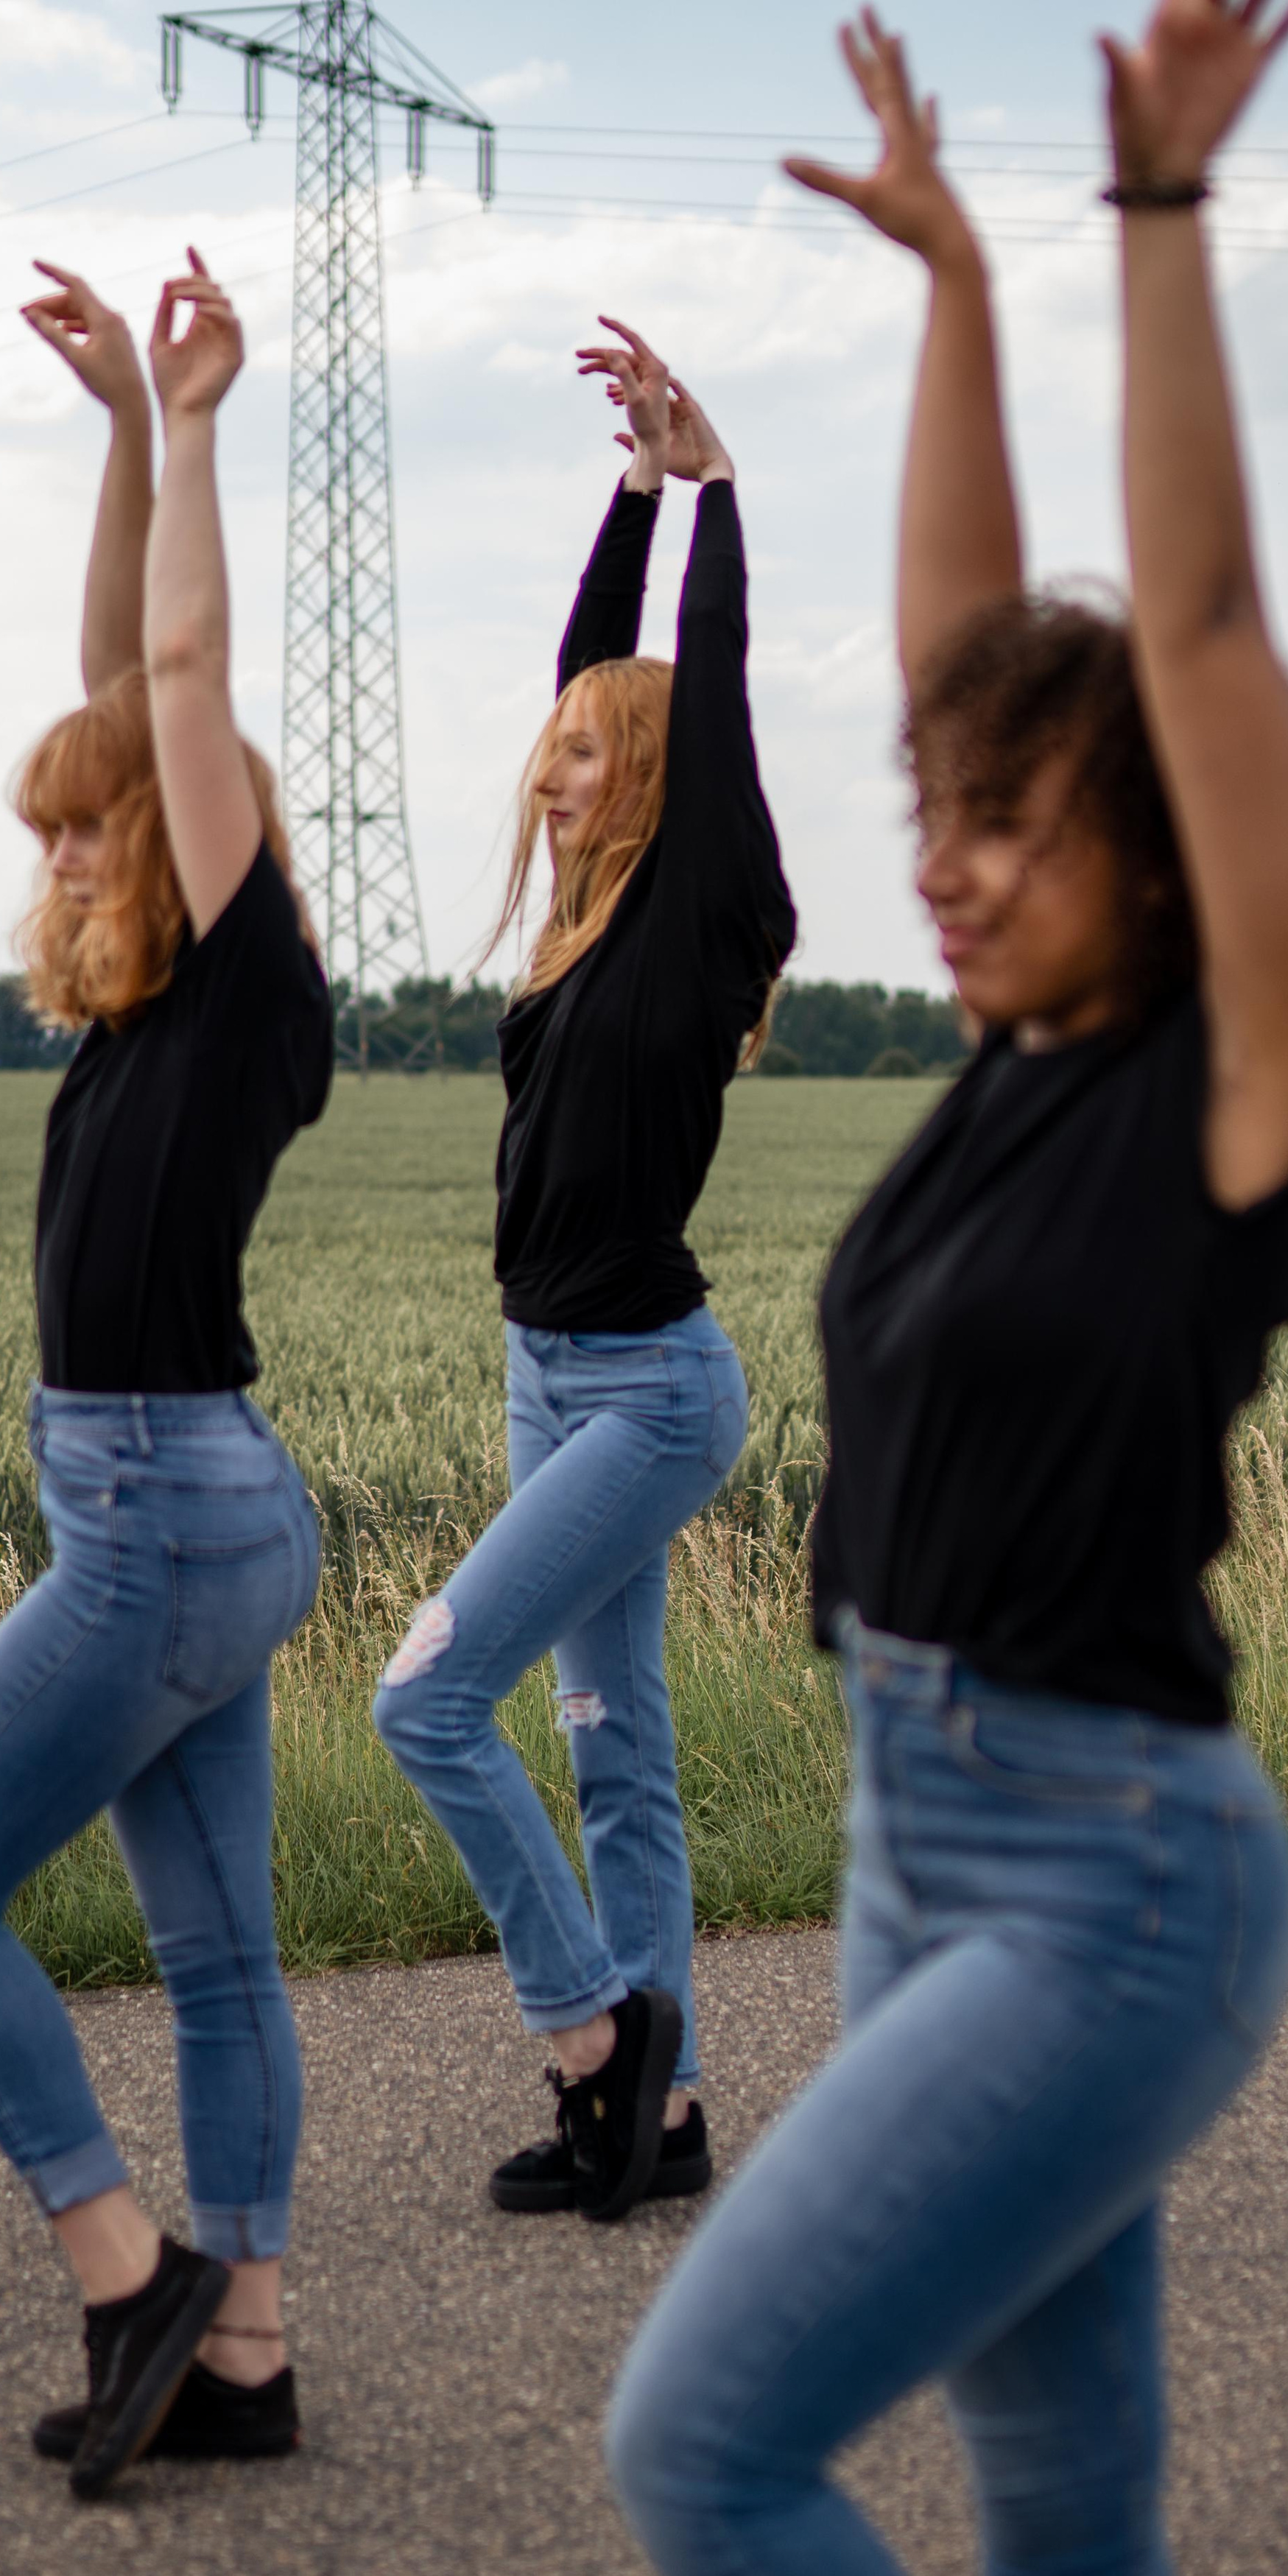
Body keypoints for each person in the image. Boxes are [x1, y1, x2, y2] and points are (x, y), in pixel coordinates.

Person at [606, 0, 1288, 2576]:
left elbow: (1174, 638)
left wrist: (1146, 235)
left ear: (1164, 848)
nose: (940, 860)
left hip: (1112, 1877)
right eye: (931, 818)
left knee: (701, 2432)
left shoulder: (1243, 1064)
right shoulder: (1017, 1045)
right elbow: (983, 649)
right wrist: (947, 282)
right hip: (922, 1834)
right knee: (1065, 2511)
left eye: (1008, 828)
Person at [0, 253, 331, 2499]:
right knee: (221, 1954)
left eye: (92, 819)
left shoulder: (243, 984)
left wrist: (208, 418)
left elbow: (171, 672)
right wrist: (120, 434)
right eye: (45, 825)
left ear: (183, 823)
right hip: (192, 1506)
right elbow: (113, 677)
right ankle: (245, 2349)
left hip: (159, 1514)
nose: (59, 851)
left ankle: (123, 2255)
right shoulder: (157, 1003)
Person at [373, 318, 796, 2223]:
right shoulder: (572, 916)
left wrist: (712, 495)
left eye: (581, 756)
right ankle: (670, 2110)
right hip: (550, 1379)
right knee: (615, 1755)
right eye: (547, 756)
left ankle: (598, 2033)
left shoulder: (700, 906)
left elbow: (698, 691)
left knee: (427, 1703)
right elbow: (590, 666)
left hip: (646, 1388)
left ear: (646, 777)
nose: (550, 774)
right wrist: (626, 490)